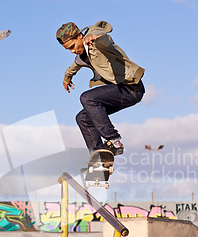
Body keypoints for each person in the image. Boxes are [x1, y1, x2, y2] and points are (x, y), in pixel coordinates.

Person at [56, 21, 145, 156]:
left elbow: (104, 38)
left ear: (80, 36)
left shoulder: (96, 43)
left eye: (73, 46)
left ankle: (114, 141)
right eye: (68, 49)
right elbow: (73, 67)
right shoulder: (81, 57)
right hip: (119, 91)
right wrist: (67, 78)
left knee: (87, 98)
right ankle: (98, 155)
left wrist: (92, 36)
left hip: (131, 88)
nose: (73, 51)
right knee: (82, 118)